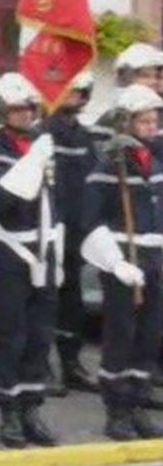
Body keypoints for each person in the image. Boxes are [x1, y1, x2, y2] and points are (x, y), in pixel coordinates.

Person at [0, 73, 61, 449]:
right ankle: (7, 410)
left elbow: (53, 202)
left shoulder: (41, 145)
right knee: (10, 335)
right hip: (10, 251)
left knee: (40, 336)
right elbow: (1, 200)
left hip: (44, 248)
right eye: (15, 109)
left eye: (28, 108)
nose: (24, 115)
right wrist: (33, 161)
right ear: (0, 112)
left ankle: (31, 406)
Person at [80, 84, 163, 440]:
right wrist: (115, 263)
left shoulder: (155, 163)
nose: (151, 126)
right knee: (121, 339)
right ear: (126, 123)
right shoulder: (108, 165)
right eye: (143, 120)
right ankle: (117, 411)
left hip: (155, 262)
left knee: (149, 338)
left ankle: (139, 404)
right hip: (125, 264)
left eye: (153, 119)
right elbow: (89, 221)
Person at [43, 71, 100, 395]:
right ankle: (40, 366)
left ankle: (71, 364)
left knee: (72, 303)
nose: (74, 95)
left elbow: (92, 183)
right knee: (43, 301)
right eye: (68, 88)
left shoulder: (84, 137)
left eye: (79, 90)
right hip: (48, 230)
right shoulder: (42, 134)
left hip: (77, 231)